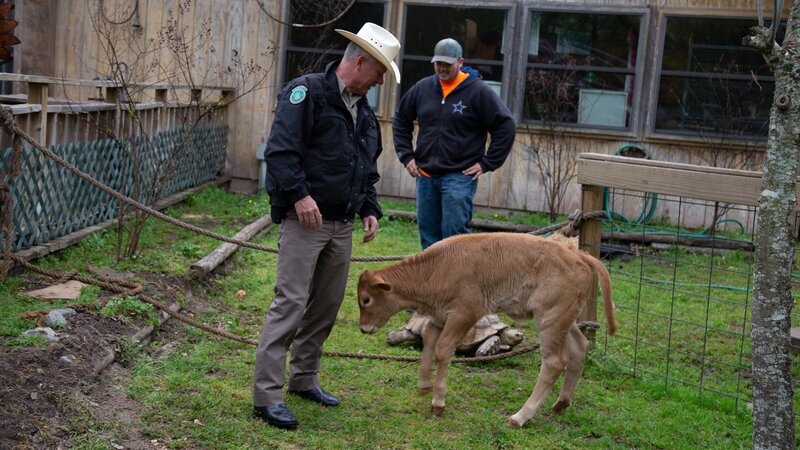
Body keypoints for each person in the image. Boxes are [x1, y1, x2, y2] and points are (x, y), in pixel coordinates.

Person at [253, 22, 400, 430]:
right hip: (305, 221)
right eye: (379, 72)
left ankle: (303, 379)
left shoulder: (363, 109)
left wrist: (369, 205)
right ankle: (266, 396)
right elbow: (281, 152)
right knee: (290, 304)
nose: (380, 81)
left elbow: (366, 166)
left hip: (341, 223)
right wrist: (300, 196)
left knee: (326, 306)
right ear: (359, 62)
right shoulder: (307, 93)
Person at [393, 37, 516, 250]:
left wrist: (487, 163)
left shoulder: (478, 91)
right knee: (429, 238)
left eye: (447, 64)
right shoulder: (423, 88)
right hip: (426, 176)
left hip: (459, 177)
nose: (441, 68)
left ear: (460, 62)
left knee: (455, 238)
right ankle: (433, 282)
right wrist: (406, 155)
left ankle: (458, 284)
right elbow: (401, 119)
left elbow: (505, 125)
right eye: (438, 63)